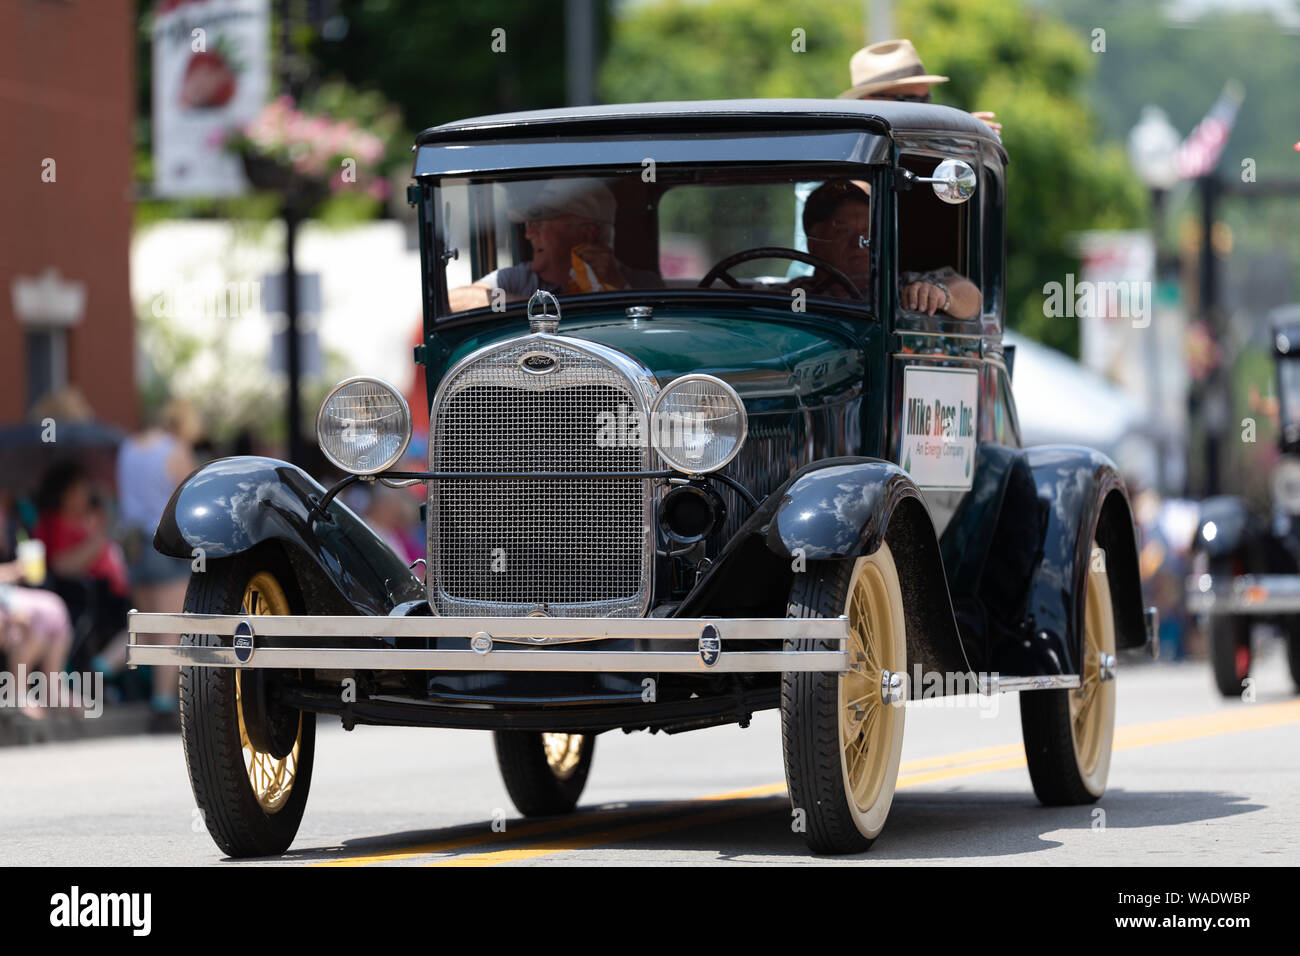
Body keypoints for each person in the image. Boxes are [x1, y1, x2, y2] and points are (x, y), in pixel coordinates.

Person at [112, 398, 202, 731]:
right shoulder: (175, 451)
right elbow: (191, 496)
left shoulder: (128, 448)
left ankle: (96, 670)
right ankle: (163, 703)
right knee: (170, 627)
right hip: (164, 543)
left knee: (145, 626)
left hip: (132, 545)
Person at [448, 178, 661, 312]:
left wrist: (618, 288)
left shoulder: (641, 284)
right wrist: (541, 306)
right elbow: (455, 300)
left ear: (587, 233)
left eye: (540, 224)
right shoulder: (516, 280)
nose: (529, 234)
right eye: (531, 224)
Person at [794, 180, 982, 319]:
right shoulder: (797, 294)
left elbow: (972, 298)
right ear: (814, 244)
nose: (859, 241)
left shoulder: (899, 289)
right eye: (844, 231)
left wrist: (940, 295)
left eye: (868, 230)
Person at [838, 38, 1002, 134]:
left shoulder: (928, 142)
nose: (923, 109)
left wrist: (964, 134)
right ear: (870, 101)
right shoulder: (848, 151)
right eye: (910, 100)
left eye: (925, 99)